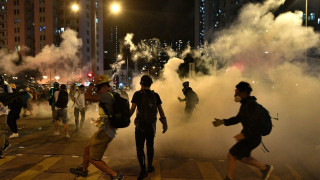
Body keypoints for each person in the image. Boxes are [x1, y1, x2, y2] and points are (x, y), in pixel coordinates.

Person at [212, 81, 273, 180]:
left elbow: (257, 123)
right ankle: (265, 168)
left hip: (252, 137)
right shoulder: (245, 104)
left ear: (244, 92)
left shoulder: (251, 105)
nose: (235, 94)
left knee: (232, 154)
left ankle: (229, 178)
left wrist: (244, 134)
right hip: (251, 136)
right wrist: (223, 121)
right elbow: (238, 118)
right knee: (242, 157)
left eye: (237, 92)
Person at [70, 75, 123, 179]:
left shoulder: (107, 95)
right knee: (87, 149)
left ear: (103, 87)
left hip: (105, 132)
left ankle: (115, 175)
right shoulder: (110, 94)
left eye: (98, 88)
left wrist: (91, 85)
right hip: (104, 129)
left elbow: (88, 97)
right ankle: (84, 171)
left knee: (94, 159)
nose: (97, 91)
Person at [130, 75, 168, 180]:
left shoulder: (137, 94)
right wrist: (164, 122)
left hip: (140, 126)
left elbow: (132, 109)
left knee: (140, 148)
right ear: (151, 84)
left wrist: (124, 119)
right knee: (150, 146)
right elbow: (160, 110)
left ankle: (143, 171)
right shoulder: (155, 95)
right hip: (151, 126)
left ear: (141, 84)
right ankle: (150, 166)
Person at [0, 74, 13, 158]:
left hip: (3, 113)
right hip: (4, 112)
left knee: (1, 132)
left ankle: (1, 150)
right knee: (1, 132)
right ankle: (5, 143)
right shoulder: (7, 87)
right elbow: (11, 97)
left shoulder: (6, 87)